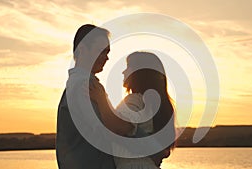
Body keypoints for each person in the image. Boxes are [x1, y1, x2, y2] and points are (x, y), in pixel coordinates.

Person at [56, 24, 133, 169]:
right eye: (101, 51)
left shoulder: (79, 85)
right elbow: (107, 131)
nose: (107, 58)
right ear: (82, 50)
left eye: (107, 52)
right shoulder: (84, 86)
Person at [113, 52, 176, 169]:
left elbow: (120, 126)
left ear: (137, 72)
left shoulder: (134, 101)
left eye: (128, 67)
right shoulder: (156, 105)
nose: (123, 72)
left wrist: (100, 100)